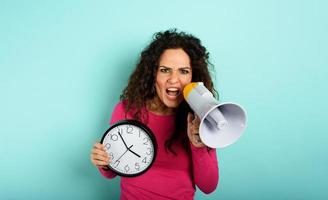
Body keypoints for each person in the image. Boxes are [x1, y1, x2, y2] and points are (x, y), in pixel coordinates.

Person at [90, 29, 219, 200]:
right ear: (153, 73)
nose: (173, 80)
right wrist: (103, 161)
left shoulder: (200, 119)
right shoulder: (126, 110)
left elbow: (208, 186)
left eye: (183, 71)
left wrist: (198, 147)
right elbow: (111, 173)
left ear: (193, 77)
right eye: (165, 70)